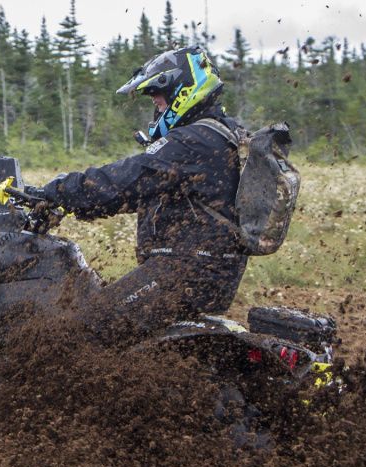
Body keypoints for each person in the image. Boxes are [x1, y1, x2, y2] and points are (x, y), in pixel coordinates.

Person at [32, 45, 247, 344]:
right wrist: (72, 205)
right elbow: (133, 195)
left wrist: (56, 190)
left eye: (158, 95)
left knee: (83, 329)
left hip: (183, 272)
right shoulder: (221, 133)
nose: (156, 104)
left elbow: (125, 179)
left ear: (182, 90)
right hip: (207, 271)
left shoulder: (195, 140)